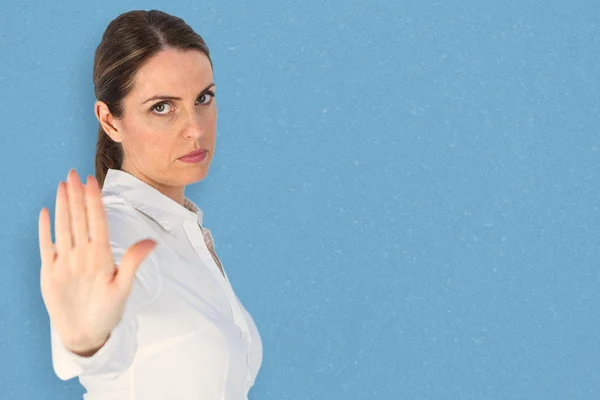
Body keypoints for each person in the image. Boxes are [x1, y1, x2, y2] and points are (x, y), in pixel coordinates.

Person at [37, 9, 263, 399]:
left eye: (203, 98)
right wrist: (88, 340)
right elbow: (104, 327)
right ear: (110, 121)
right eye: (162, 107)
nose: (195, 128)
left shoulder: (180, 230)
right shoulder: (114, 227)